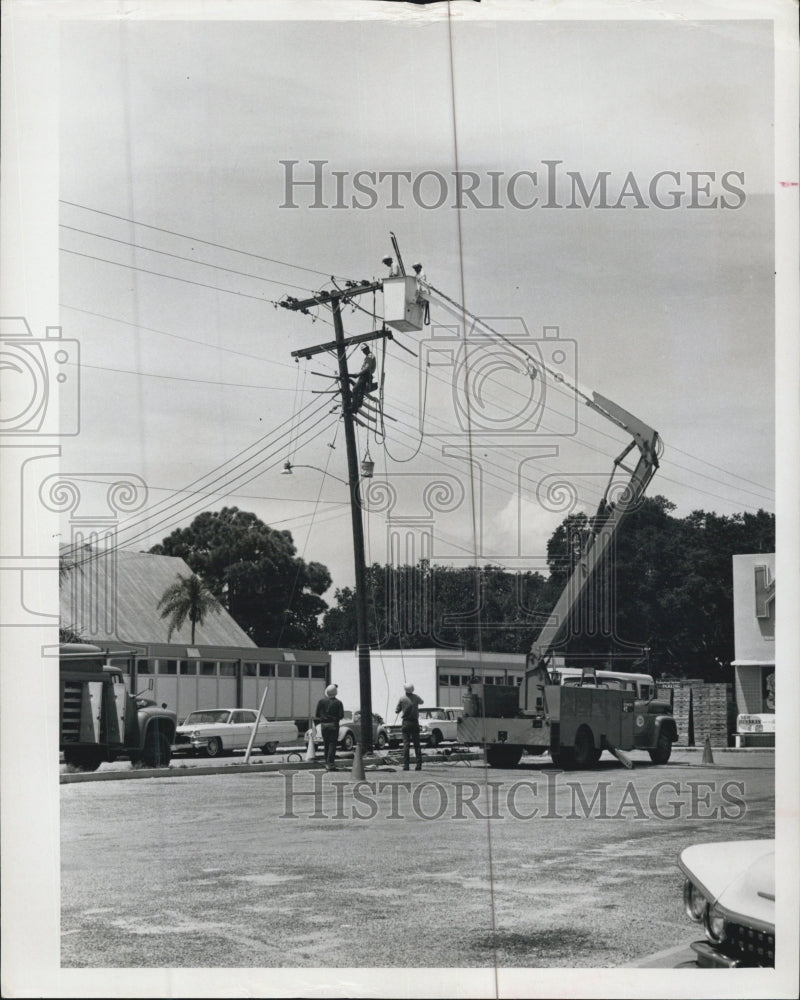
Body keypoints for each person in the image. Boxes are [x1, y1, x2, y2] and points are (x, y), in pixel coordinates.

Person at [314, 683, 344, 771]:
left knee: (326, 744)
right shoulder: (338, 703)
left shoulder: (321, 702)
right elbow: (341, 715)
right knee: (332, 744)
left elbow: (317, 714)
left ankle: (326, 763)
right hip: (333, 725)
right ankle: (330, 764)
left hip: (323, 725)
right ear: (336, 692)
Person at [395, 683, 424, 771]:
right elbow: (422, 702)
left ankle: (406, 765)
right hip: (415, 722)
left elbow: (397, 710)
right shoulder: (416, 697)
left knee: (406, 744)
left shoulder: (402, 698)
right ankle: (418, 765)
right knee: (417, 745)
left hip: (406, 722)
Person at [350, 345, 377, 413]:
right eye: (363, 351)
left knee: (355, 389)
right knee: (360, 391)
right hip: (365, 375)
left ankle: (354, 407)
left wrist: (358, 374)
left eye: (364, 350)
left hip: (365, 375)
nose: (364, 352)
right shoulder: (368, 356)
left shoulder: (370, 356)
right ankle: (357, 406)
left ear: (367, 348)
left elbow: (367, 368)